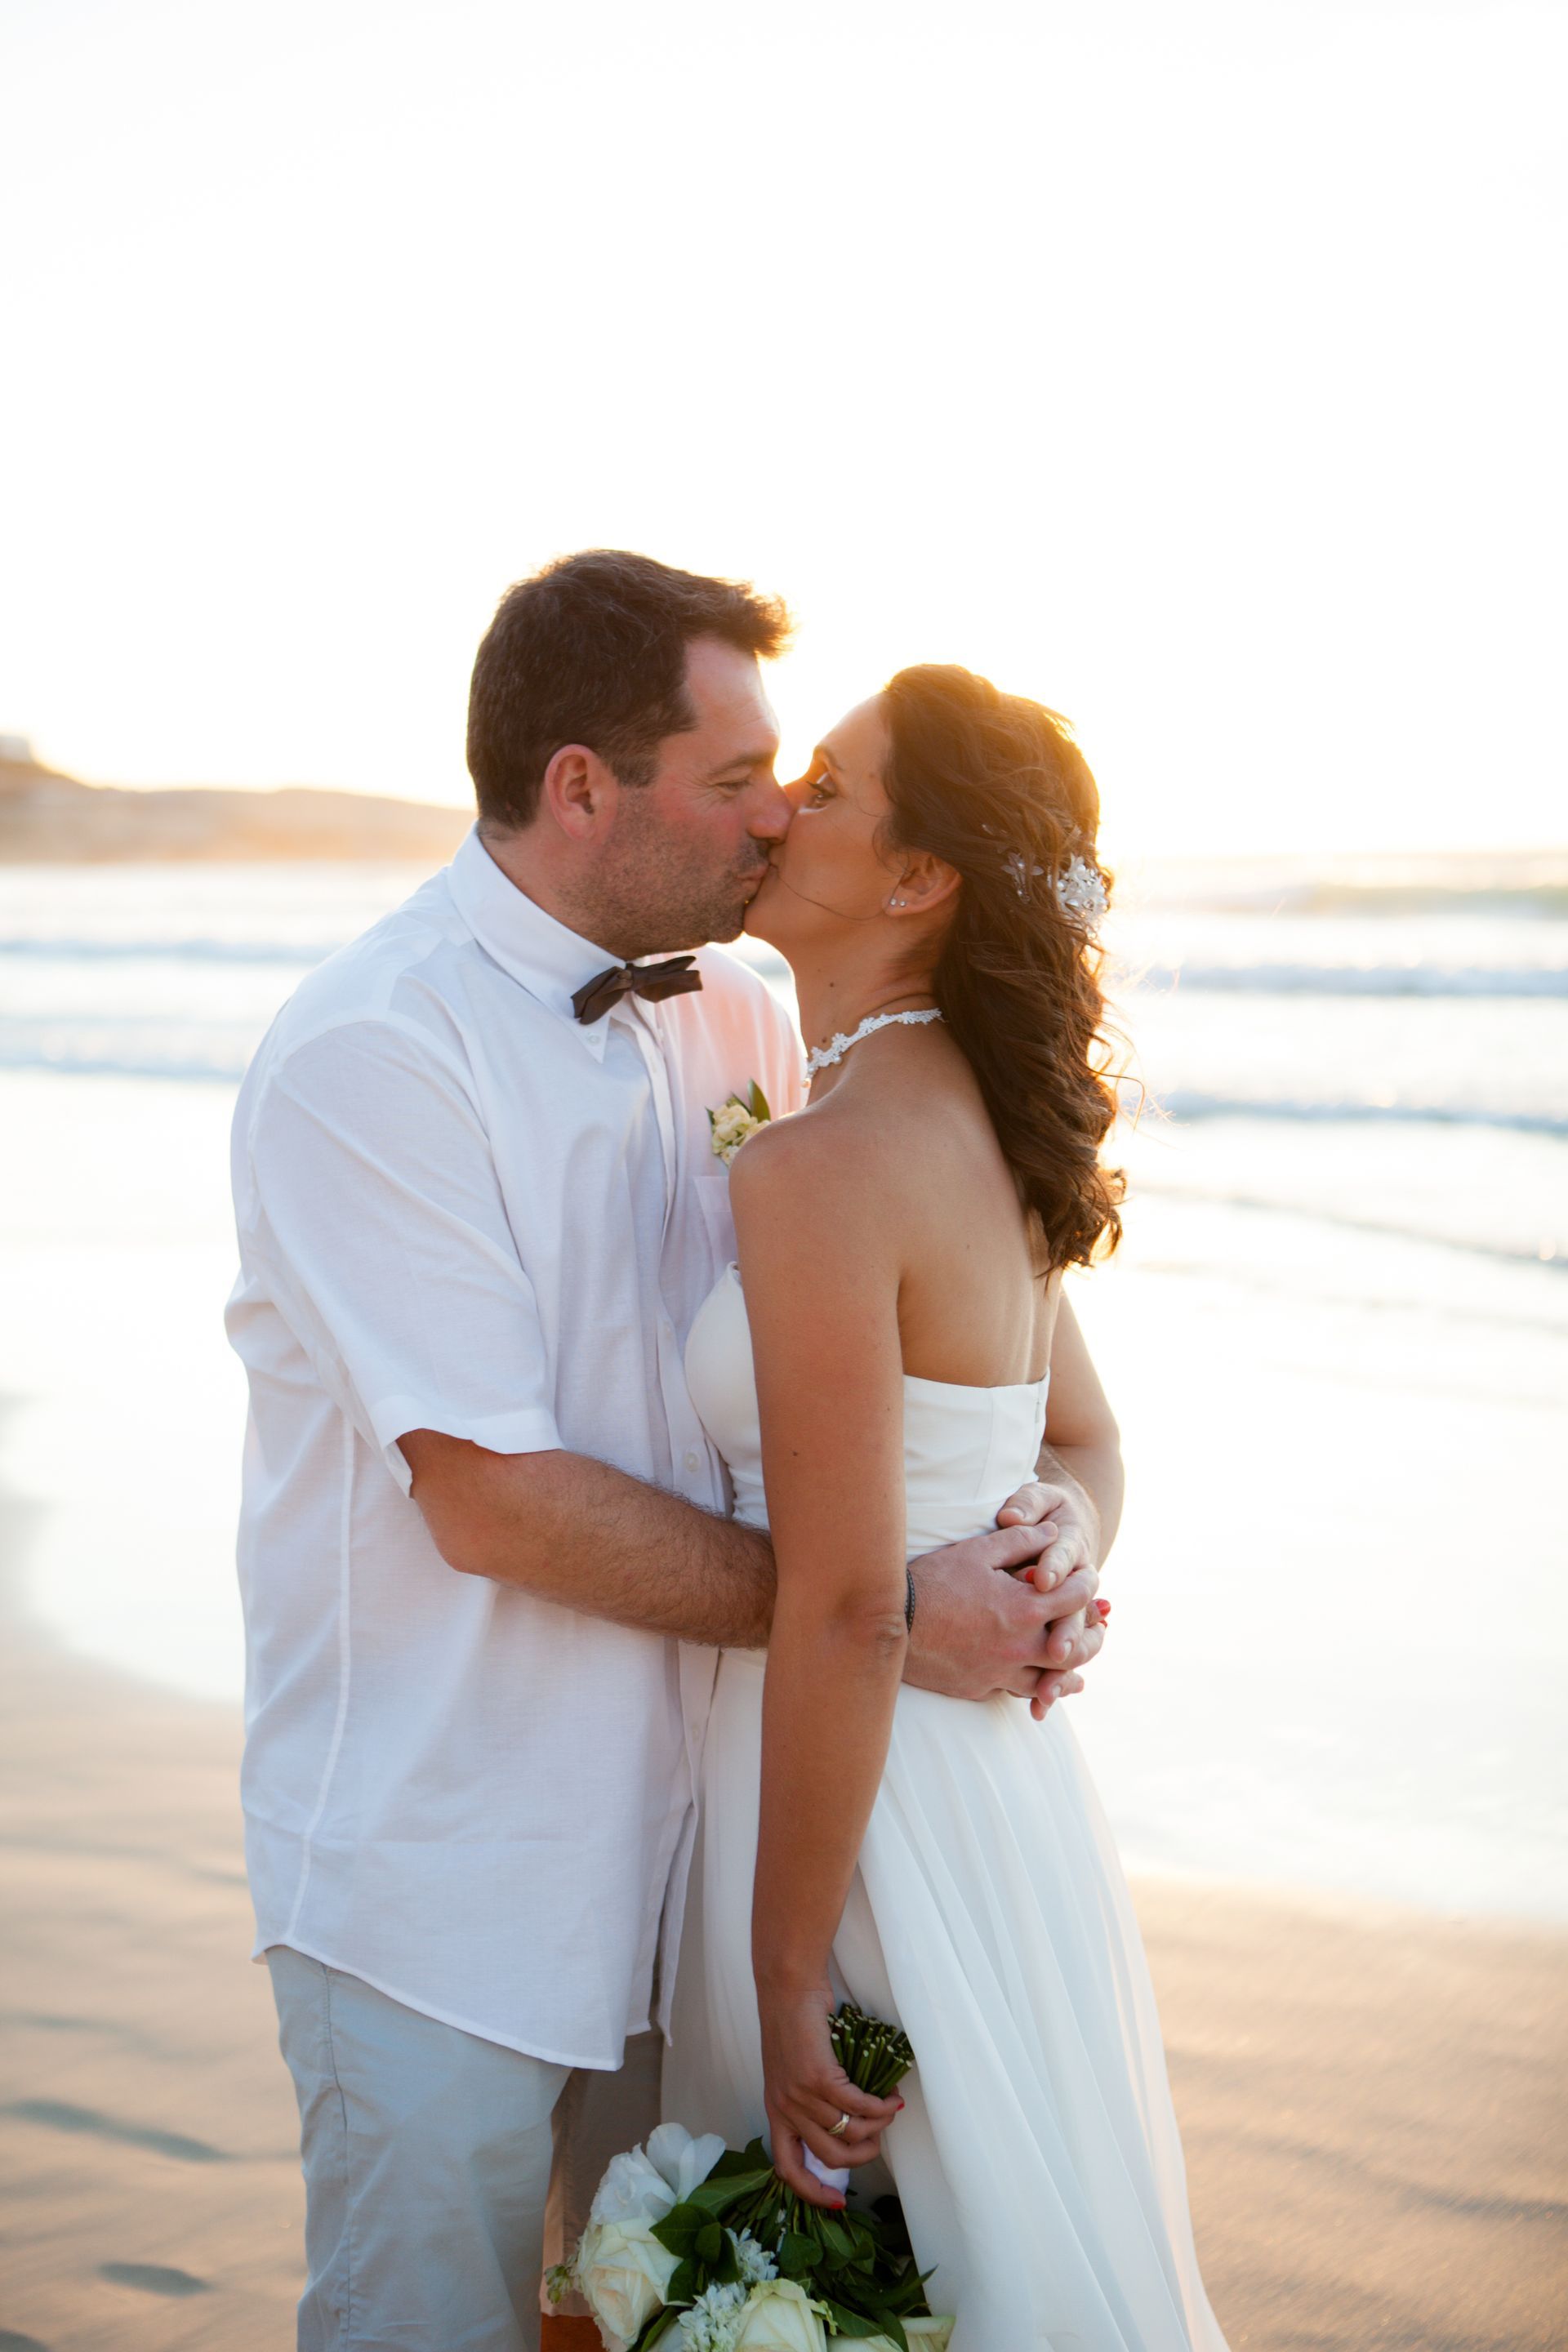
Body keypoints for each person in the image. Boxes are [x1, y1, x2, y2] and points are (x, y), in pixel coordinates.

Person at [225, 551, 1109, 2352]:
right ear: (579, 790)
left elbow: (941, 1377)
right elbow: (495, 1503)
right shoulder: (368, 1057)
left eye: (798, 777)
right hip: (446, 1880)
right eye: (733, 781)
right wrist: (879, 1612)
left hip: (704, 1861)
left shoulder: (753, 1013)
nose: (775, 815)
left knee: (644, 2321)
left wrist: (1041, 1538)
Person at [663, 666, 1229, 2347]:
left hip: (860, 1819)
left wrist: (782, 1976)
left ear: (921, 882)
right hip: (1009, 1808)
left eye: (826, 788)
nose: (779, 808)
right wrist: (1067, 1534)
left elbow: (847, 1608)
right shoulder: (987, 1131)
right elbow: (1093, 1445)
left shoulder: (821, 1167)